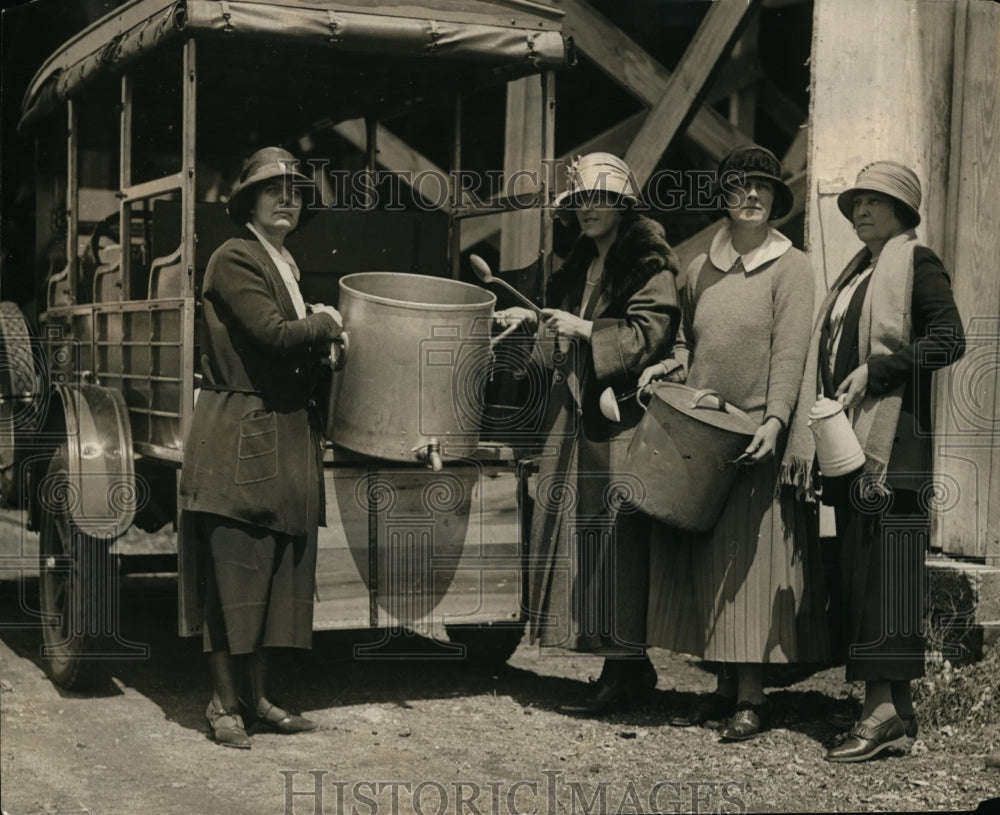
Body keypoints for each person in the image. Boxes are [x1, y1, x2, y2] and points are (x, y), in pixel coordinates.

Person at [642, 145, 830, 741]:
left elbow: (792, 353)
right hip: (704, 439)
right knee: (708, 566)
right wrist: (668, 367)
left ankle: (753, 698)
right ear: (721, 197)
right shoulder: (699, 266)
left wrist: (775, 422)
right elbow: (687, 344)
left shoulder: (792, 266)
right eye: (740, 185)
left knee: (748, 570)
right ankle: (722, 689)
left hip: (755, 439)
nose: (752, 195)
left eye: (764, 187)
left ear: (776, 201)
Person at [782, 160, 965, 762]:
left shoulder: (916, 263)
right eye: (856, 202)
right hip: (850, 447)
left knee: (882, 577)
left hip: (893, 450)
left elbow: (949, 338)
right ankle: (898, 710)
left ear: (903, 213)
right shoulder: (857, 273)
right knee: (864, 574)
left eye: (874, 202)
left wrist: (880, 369)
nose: (861, 210)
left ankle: (879, 713)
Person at [495, 153, 680, 715]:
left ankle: (624, 667)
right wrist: (536, 320)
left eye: (600, 199)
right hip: (575, 419)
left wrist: (585, 328)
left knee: (613, 543)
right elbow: (567, 321)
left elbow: (651, 333)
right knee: (581, 538)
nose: (588, 210)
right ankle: (625, 665)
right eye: (579, 201)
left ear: (623, 205)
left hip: (620, 421)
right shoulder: (579, 264)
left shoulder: (650, 264)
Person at [179, 146, 344, 749]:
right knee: (234, 574)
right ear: (247, 199)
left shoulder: (284, 262)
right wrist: (330, 323)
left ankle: (259, 698)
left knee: (274, 575)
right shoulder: (234, 258)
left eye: (296, 190)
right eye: (274, 188)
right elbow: (274, 336)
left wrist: (326, 344)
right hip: (242, 429)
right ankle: (223, 706)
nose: (288, 198)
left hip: (282, 432)